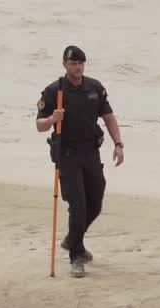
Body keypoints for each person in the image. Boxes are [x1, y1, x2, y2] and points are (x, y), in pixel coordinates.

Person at [36, 45, 125, 278]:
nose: (77, 67)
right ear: (64, 65)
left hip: (90, 153)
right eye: (73, 63)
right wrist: (52, 119)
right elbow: (39, 125)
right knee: (78, 206)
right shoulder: (54, 91)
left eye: (80, 63)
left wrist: (118, 144)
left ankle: (72, 239)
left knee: (95, 203)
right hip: (67, 156)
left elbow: (108, 117)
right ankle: (76, 256)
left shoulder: (95, 88)